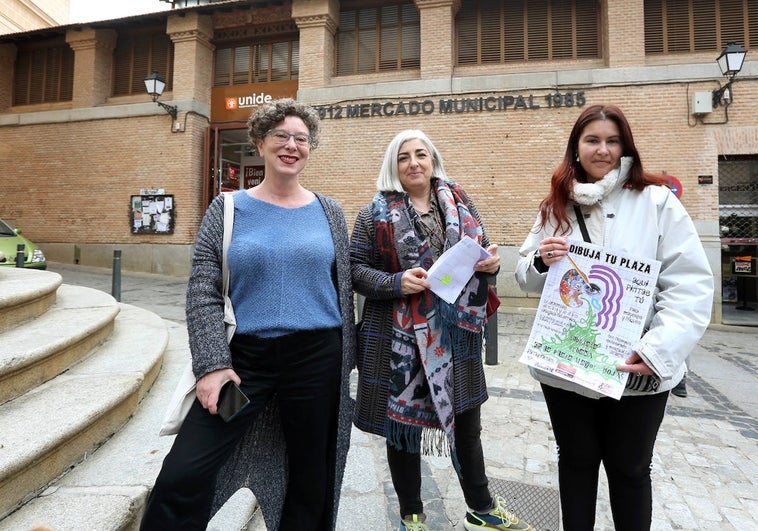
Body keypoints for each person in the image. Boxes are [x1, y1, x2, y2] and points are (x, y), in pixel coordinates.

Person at [140, 98, 355, 530]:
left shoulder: (328, 211)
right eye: (281, 136)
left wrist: (414, 278)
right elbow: (203, 288)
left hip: (317, 358)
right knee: (186, 469)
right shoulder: (229, 208)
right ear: (259, 143)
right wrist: (212, 365)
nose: (292, 145)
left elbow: (352, 276)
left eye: (301, 138)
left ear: (310, 147)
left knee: (311, 473)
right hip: (244, 363)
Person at [515, 104, 713, 531]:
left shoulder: (657, 201)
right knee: (576, 463)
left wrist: (658, 351)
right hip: (568, 365)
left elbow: (690, 285)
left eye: (611, 140)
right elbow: (524, 274)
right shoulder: (555, 206)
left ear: (625, 146)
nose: (601, 149)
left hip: (635, 367)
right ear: (576, 147)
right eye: (592, 140)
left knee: (630, 470)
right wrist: (541, 262)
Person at [350, 129, 532, 531]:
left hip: (456, 334)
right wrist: (396, 283)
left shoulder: (462, 205)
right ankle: (411, 514)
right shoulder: (372, 214)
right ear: (392, 166)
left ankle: (481, 509)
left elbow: (485, 251)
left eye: (421, 154)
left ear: (432, 159)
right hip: (398, 340)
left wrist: (491, 264)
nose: (414, 163)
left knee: (467, 425)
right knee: (403, 432)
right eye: (403, 157)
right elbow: (355, 270)